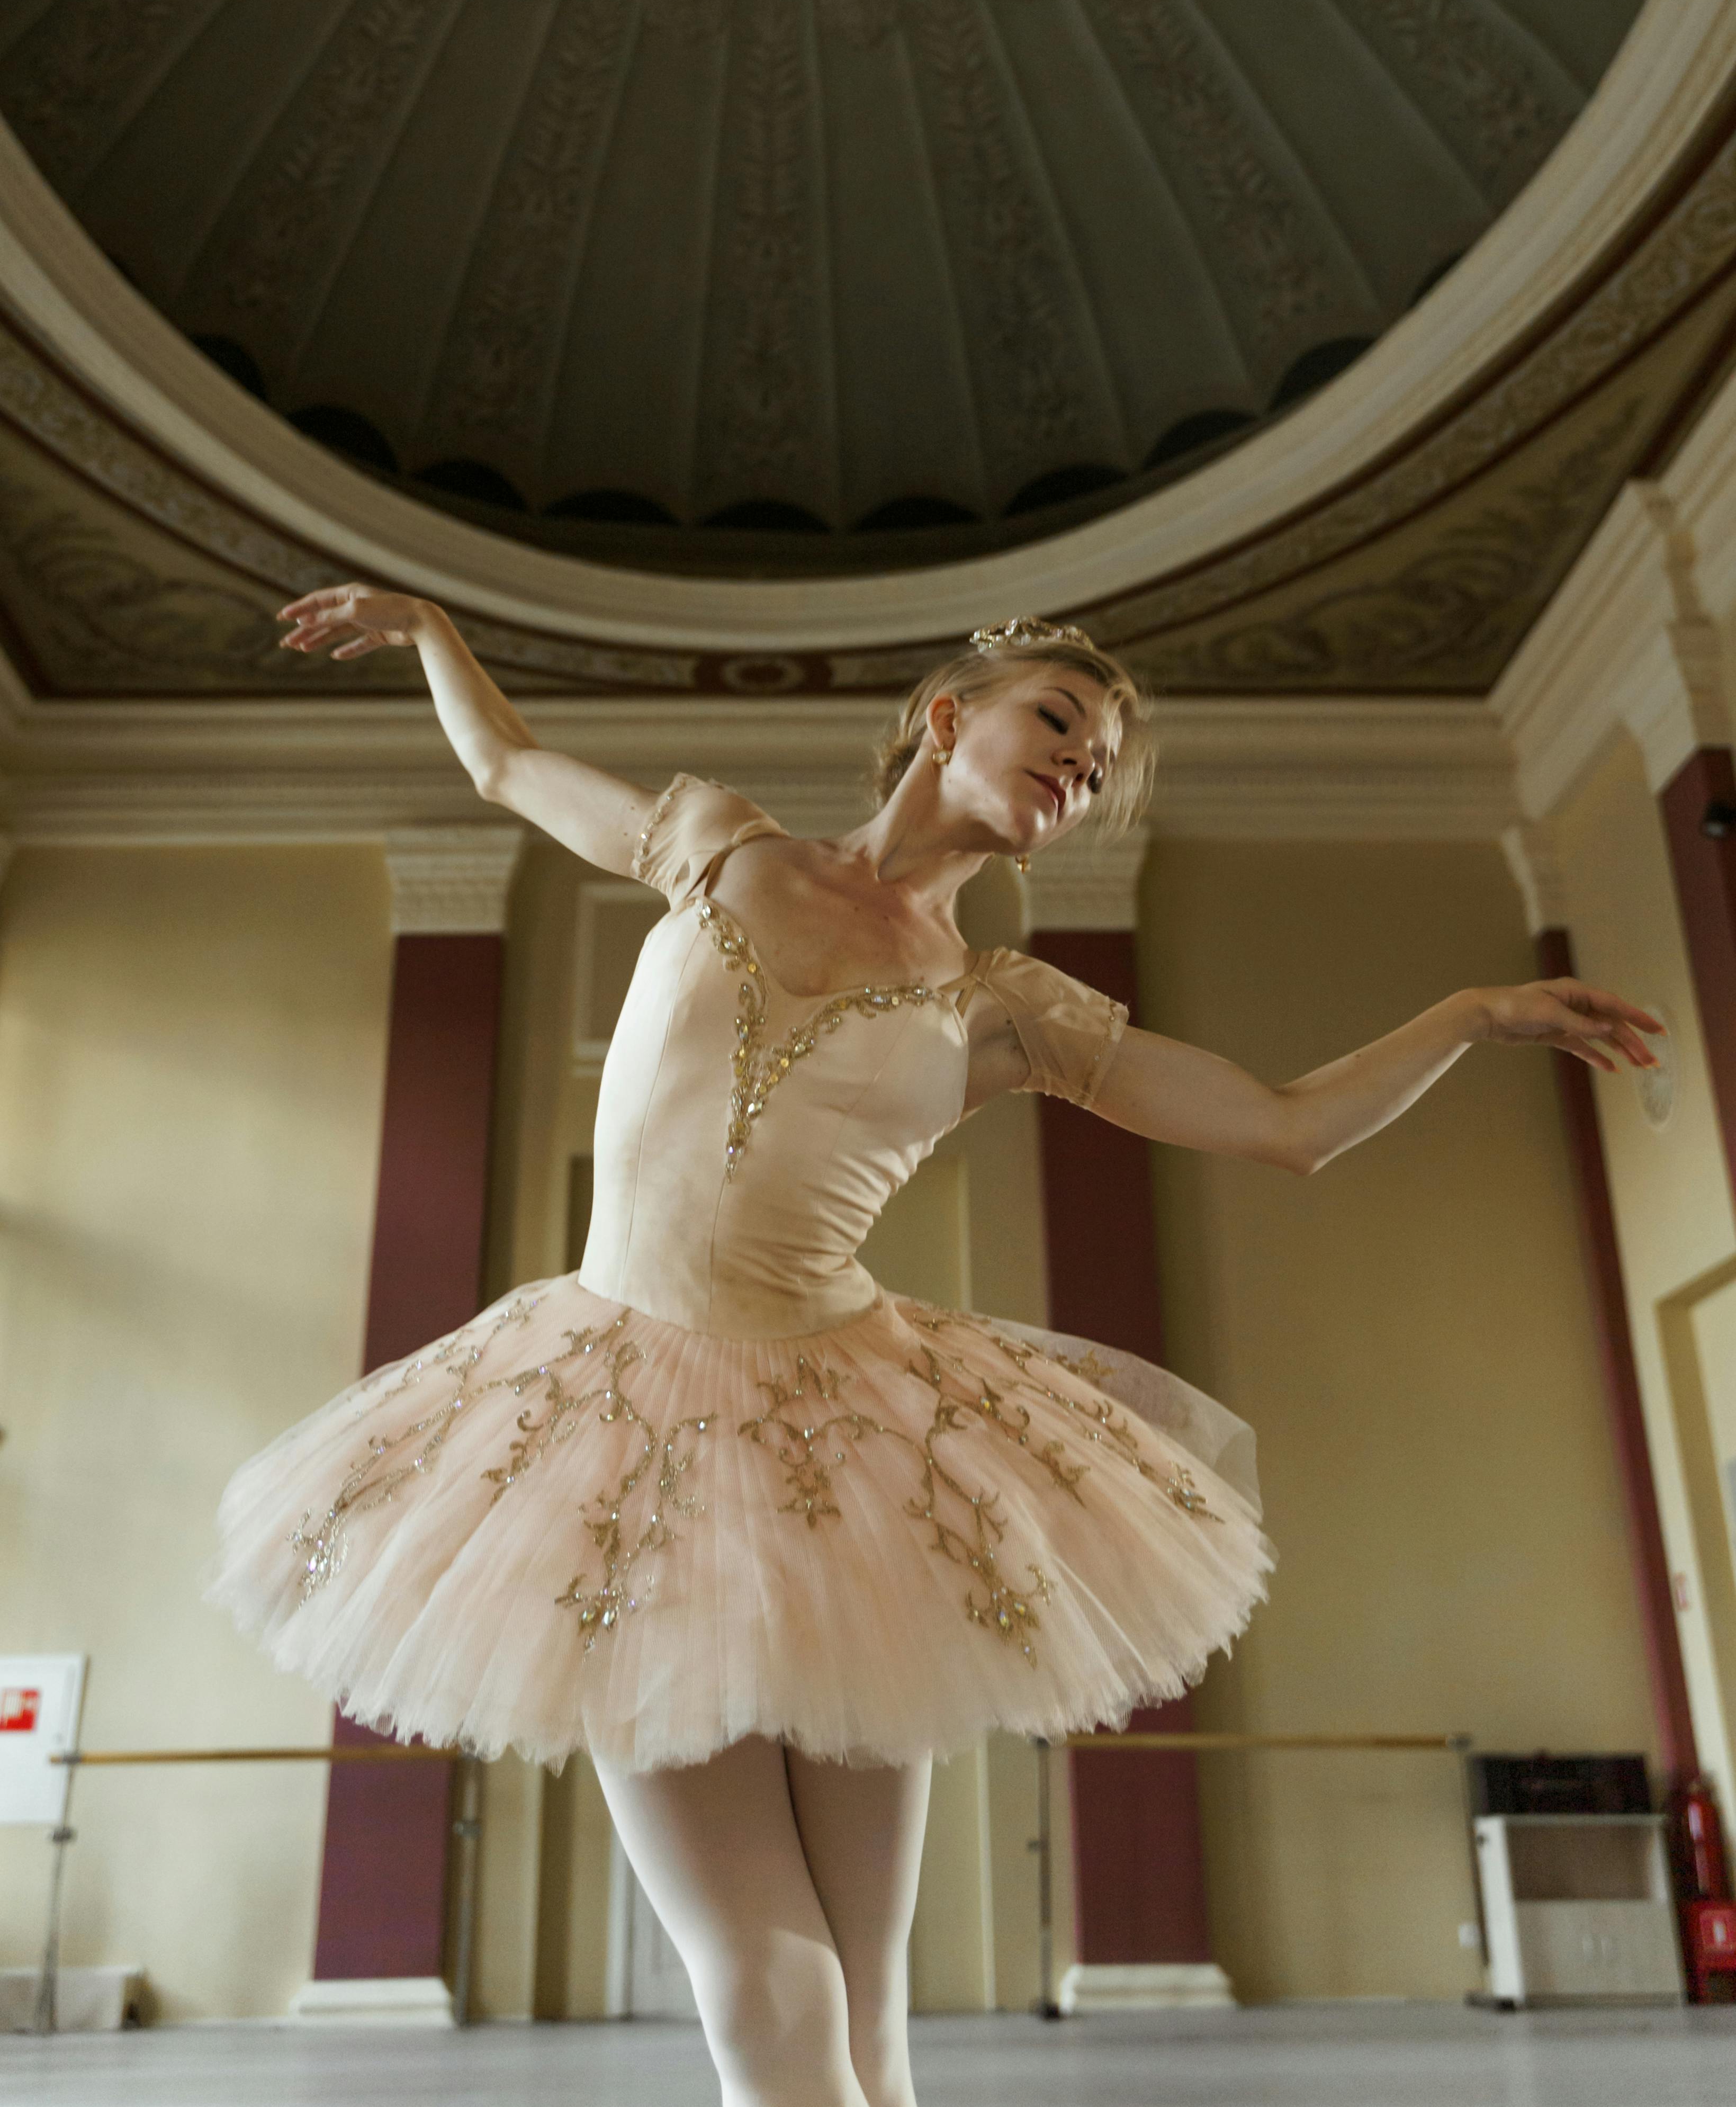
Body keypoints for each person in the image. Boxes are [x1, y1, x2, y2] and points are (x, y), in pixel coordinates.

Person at [212, 590, 1660, 2107]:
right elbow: (508, 771)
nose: (1080, 773)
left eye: (1098, 768)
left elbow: (1287, 1128)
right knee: (773, 1976)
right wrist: (439, 632)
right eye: (1061, 729)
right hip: (619, 1423)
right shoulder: (716, 842)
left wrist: (1471, 1012)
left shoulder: (1004, 1007)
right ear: (948, 717)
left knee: (871, 2004)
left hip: (857, 1457)